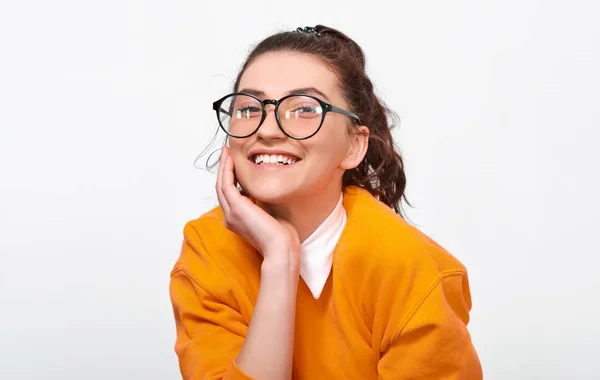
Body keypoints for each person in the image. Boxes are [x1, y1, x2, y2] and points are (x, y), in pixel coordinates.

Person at [169, 25, 482, 379]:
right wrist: (280, 260)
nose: (267, 130)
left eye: (304, 109)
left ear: (353, 146)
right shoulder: (207, 249)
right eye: (249, 108)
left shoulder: (411, 270)